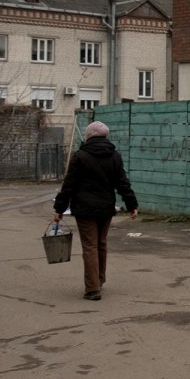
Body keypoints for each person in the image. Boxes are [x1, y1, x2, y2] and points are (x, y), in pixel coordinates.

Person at [52, 121, 138, 301]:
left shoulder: (80, 156)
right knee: (101, 243)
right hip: (106, 208)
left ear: (89, 135)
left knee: (90, 245)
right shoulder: (114, 156)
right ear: (105, 136)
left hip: (84, 209)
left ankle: (92, 289)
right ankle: (99, 280)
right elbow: (122, 183)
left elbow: (69, 185)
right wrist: (131, 205)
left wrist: (59, 209)